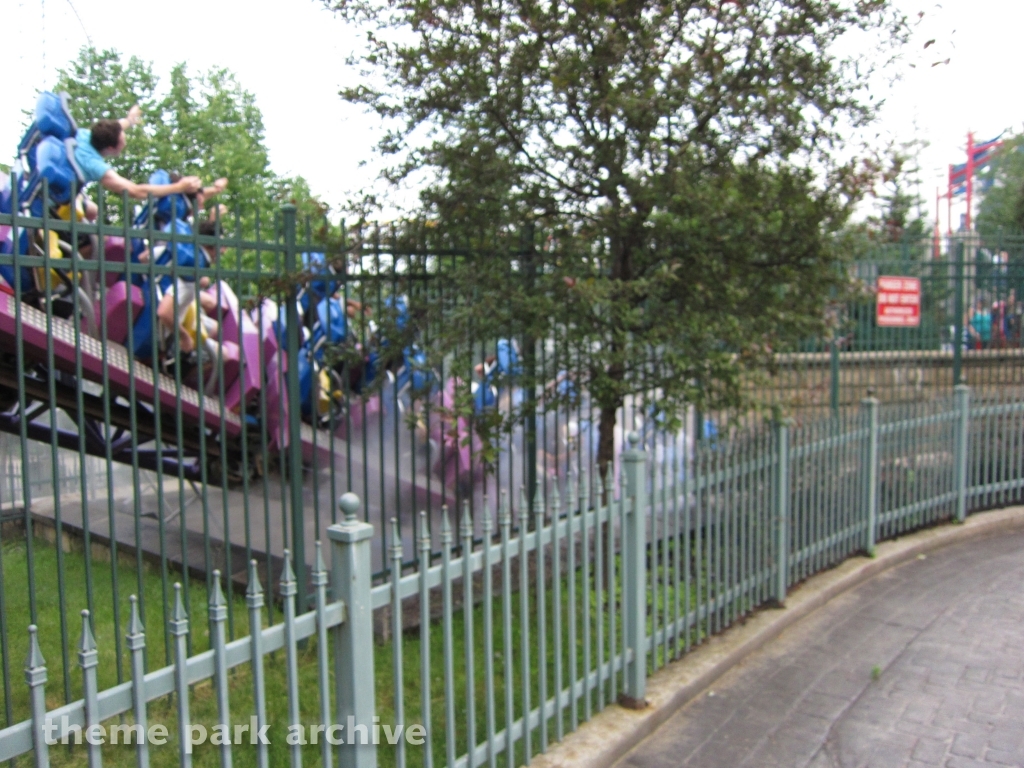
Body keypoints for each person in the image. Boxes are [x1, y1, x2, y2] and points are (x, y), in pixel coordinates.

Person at [73, 105, 202, 200]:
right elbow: (136, 191)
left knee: (90, 209)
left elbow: (116, 127)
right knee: (90, 210)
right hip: (62, 194)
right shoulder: (95, 165)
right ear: (111, 148)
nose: (125, 143)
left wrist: (130, 120)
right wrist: (179, 187)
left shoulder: (86, 134)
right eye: (122, 142)